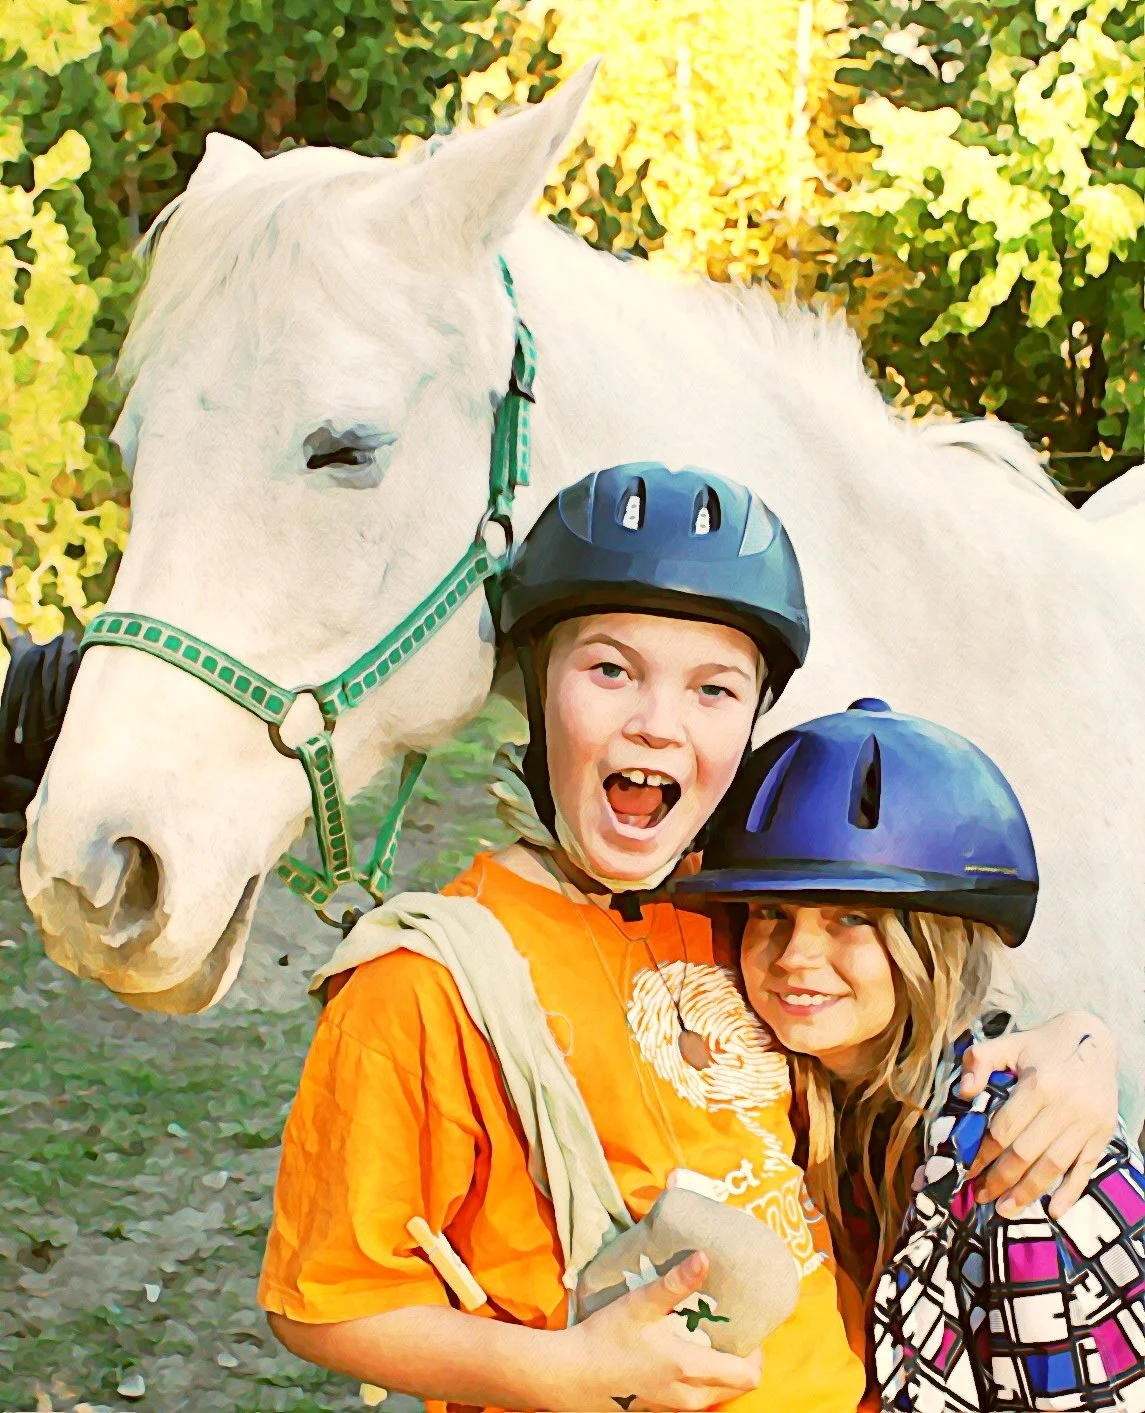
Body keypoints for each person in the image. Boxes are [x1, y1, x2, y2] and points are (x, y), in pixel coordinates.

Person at [253, 465, 1119, 1413]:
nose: (657, 723)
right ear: (536, 689)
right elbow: (324, 1302)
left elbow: (905, 1025)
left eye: (713, 688)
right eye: (610, 669)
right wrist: (563, 1374)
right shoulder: (427, 981)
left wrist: (1075, 1041)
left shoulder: (743, 908)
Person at [677, 699, 1144, 1410]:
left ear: (930, 943)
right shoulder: (776, 1092)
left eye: (851, 917)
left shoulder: (1022, 1169)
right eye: (769, 912)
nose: (795, 954)